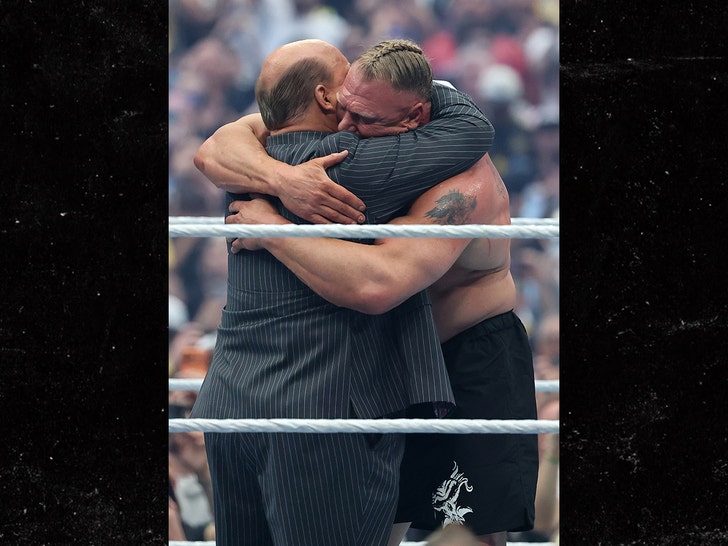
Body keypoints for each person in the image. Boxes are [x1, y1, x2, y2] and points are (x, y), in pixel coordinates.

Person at [202, 41, 537, 546]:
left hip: (468, 357)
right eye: (344, 108)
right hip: (394, 366)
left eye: (364, 119)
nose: (345, 127)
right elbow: (227, 141)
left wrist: (273, 230)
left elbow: (380, 282)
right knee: (379, 526)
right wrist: (283, 179)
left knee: (467, 534)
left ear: (414, 116)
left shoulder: (464, 178)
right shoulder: (365, 140)